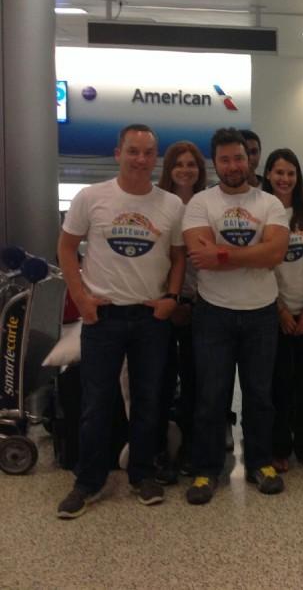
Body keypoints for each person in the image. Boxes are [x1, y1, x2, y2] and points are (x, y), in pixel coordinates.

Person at [56, 124, 186, 519]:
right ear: (118, 153)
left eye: (148, 152)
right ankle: (88, 481)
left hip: (150, 318)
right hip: (103, 316)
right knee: (96, 403)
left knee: (149, 402)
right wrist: (81, 299)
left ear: (155, 157)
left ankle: (141, 474)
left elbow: (179, 256)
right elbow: (65, 248)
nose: (141, 159)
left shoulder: (171, 205)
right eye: (133, 151)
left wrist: (171, 298)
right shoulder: (91, 197)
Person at [182, 127, 289, 505]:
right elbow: (199, 256)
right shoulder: (200, 203)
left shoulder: (270, 203)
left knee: (260, 395)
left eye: (239, 158)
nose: (233, 165)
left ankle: (261, 463)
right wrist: (253, 252)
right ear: (215, 162)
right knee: (211, 396)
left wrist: (223, 255)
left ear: (249, 159)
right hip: (214, 314)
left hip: (260, 313)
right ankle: (206, 470)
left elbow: (275, 253)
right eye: (225, 159)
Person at [263, 148, 303, 473]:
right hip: (273, 312)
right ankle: (279, 447)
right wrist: (281, 311)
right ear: (268, 175)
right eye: (278, 172)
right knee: (278, 381)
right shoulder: (261, 211)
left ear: (298, 177)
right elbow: (262, 267)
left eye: (290, 173)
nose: (284, 179)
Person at [155, 140, 207, 481]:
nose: (185, 169)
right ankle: (158, 450)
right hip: (161, 305)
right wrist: (170, 300)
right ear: (169, 169)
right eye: (179, 164)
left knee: (195, 381)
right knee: (157, 380)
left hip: (201, 305)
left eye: (192, 164)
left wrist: (192, 301)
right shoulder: (158, 205)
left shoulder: (208, 205)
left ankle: (191, 447)